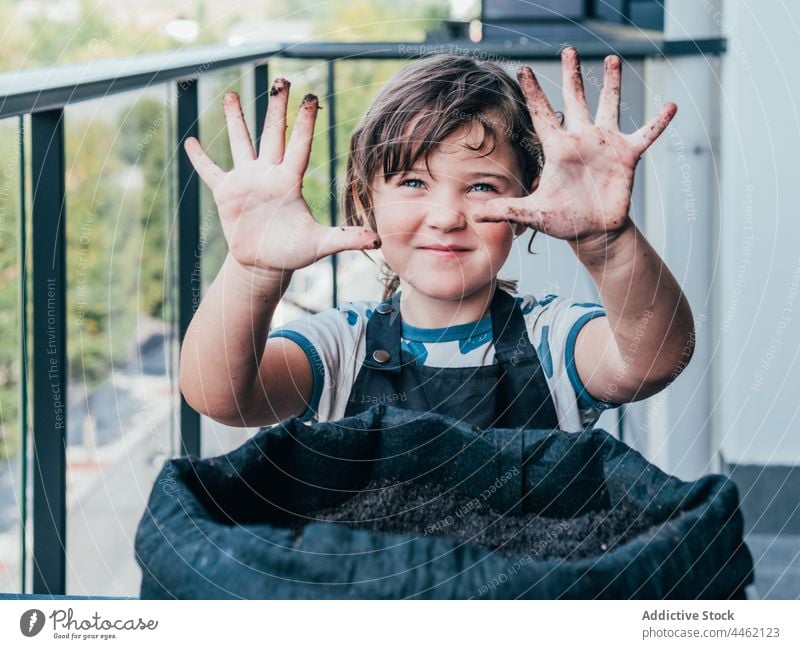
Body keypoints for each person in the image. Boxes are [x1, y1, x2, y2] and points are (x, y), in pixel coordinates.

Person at [179, 47, 694, 434]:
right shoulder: (339, 348)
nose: (447, 217)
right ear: (365, 199)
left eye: (481, 186)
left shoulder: (553, 339)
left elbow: (655, 360)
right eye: (412, 183)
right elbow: (219, 395)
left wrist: (607, 242)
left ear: (526, 206)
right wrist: (254, 270)